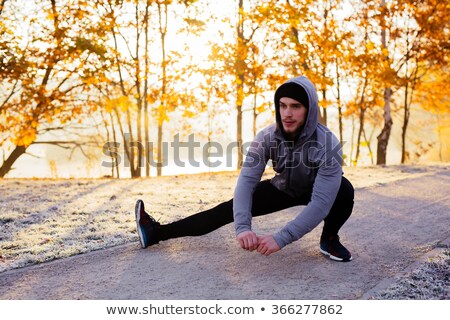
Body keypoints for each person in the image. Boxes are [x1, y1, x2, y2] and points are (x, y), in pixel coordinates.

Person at [135, 76, 354, 262]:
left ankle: (330, 239)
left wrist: (281, 237)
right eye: (283, 105)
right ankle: (155, 233)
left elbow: (321, 203)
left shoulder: (328, 144)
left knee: (344, 191)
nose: (287, 113)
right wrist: (243, 227)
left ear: (309, 110)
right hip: (284, 187)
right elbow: (246, 183)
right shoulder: (267, 137)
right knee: (226, 210)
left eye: (296, 106)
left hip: (320, 190)